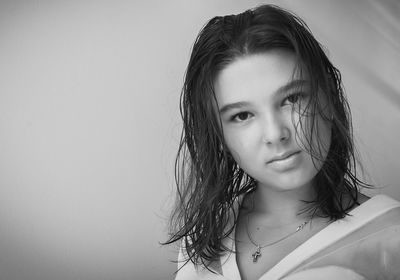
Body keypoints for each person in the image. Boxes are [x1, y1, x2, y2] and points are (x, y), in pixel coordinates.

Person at [164, 4, 400, 279]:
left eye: (292, 99)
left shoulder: (390, 237)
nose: (276, 134)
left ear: (327, 94)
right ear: (218, 132)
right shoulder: (204, 236)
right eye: (242, 115)